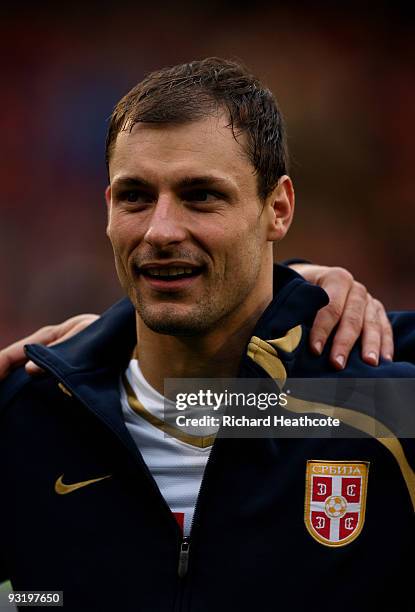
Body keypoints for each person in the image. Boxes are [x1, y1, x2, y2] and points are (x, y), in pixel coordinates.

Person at [0, 58, 413, 612]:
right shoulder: (26, 416)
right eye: (135, 197)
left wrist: (293, 293)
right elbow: (19, 600)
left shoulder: (385, 413)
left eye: (201, 196)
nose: (160, 230)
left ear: (278, 209)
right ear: (108, 209)